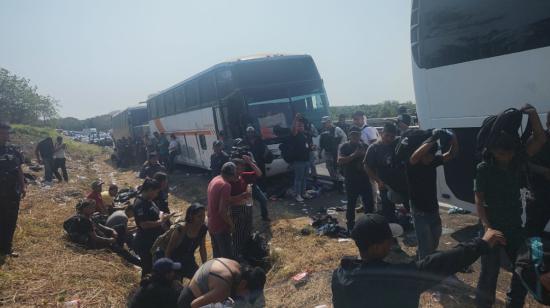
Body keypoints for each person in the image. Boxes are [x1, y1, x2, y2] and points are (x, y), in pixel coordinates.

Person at [331, 214, 507, 308]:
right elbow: (443, 262)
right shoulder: (396, 279)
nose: (392, 243)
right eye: (389, 241)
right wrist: (482, 243)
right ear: (376, 247)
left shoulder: (339, 276)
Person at [474, 104, 546, 308]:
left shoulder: (517, 160)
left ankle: (514, 303)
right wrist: (487, 227)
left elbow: (540, 139)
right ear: (493, 150)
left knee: (523, 268)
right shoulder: (484, 168)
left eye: (509, 153)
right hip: (493, 227)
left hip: (514, 227)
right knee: (489, 273)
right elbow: (479, 200)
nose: (505, 157)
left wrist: (533, 114)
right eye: (500, 153)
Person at [407, 129, 458, 259]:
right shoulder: (413, 165)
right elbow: (415, 156)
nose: (430, 158)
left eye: (432, 155)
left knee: (435, 240)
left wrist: (454, 138)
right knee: (426, 247)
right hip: (419, 211)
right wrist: (434, 138)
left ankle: (424, 258)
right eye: (427, 155)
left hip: (433, 209)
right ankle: (424, 272)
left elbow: (452, 154)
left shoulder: (432, 161)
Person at [178, 258, 266, 308]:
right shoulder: (224, 288)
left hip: (200, 292)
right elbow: (194, 305)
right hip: (188, 302)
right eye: (247, 293)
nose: (246, 296)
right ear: (243, 284)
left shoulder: (236, 267)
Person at [364, 123, 406, 223]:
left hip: (401, 182)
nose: (389, 138)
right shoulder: (374, 148)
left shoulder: (396, 143)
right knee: (388, 209)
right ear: (381, 133)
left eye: (392, 136)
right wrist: (378, 181)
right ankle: (391, 230)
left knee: (408, 204)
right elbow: (366, 166)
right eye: (387, 135)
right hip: (385, 184)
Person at [134, 178, 173, 277]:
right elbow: (144, 224)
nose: (156, 195)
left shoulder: (149, 200)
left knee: (155, 266)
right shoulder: (140, 204)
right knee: (147, 269)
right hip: (145, 241)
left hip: (154, 240)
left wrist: (164, 216)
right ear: (150, 189)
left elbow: (158, 212)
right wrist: (160, 221)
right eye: (156, 192)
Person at [338, 128, 374, 231]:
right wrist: (354, 155)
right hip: (351, 180)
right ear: (349, 136)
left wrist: (364, 157)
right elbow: (340, 161)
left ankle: (369, 224)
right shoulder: (344, 146)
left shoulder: (365, 146)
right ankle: (350, 225)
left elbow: (371, 161)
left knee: (369, 203)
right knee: (351, 203)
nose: (355, 137)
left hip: (364, 179)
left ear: (360, 136)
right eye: (353, 135)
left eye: (357, 135)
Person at [0, 122, 26, 257]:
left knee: (10, 220)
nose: (5, 136)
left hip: (12, 192)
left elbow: (19, 169)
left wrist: (22, 186)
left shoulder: (14, 150)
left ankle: (6, 248)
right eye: (2, 133)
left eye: (7, 133)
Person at [165, 204, 208, 281]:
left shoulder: (203, 229)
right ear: (191, 217)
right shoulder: (181, 229)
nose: (202, 219)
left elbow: (202, 248)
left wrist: (206, 265)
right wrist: (168, 268)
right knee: (177, 289)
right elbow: (168, 250)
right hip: (175, 261)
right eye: (199, 216)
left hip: (189, 261)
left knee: (200, 281)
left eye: (204, 215)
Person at [229, 156, 261, 257]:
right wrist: (241, 197)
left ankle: (246, 252)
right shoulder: (228, 181)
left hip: (246, 207)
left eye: (242, 168)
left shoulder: (243, 176)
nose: (240, 170)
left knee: (247, 230)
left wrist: (250, 162)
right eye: (238, 168)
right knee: (237, 234)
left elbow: (259, 174)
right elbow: (227, 199)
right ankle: (236, 255)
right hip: (235, 210)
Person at [526, 111, 550, 237]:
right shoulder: (536, 140)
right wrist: (544, 171)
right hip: (538, 195)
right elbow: (524, 163)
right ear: (547, 123)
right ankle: (534, 257)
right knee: (534, 234)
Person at [208, 162, 237, 258]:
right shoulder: (226, 185)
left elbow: (217, 200)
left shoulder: (215, 179)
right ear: (232, 174)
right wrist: (231, 225)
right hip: (220, 226)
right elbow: (222, 211)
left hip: (211, 223)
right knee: (227, 257)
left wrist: (240, 197)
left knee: (217, 256)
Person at [289, 115, 312, 202]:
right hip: (299, 161)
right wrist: (295, 119)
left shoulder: (304, 135)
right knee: (298, 179)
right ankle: (297, 195)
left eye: (301, 126)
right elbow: (293, 128)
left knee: (305, 178)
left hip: (306, 160)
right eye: (299, 126)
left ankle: (303, 193)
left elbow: (307, 146)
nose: (300, 127)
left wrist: (311, 147)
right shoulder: (295, 134)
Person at [319, 116, 347, 185]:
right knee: (329, 167)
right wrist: (319, 152)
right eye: (323, 123)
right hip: (327, 152)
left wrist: (339, 148)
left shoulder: (336, 129)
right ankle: (335, 182)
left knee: (337, 168)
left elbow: (344, 138)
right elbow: (321, 142)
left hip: (336, 152)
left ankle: (341, 185)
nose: (324, 124)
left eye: (325, 123)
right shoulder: (323, 130)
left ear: (329, 122)